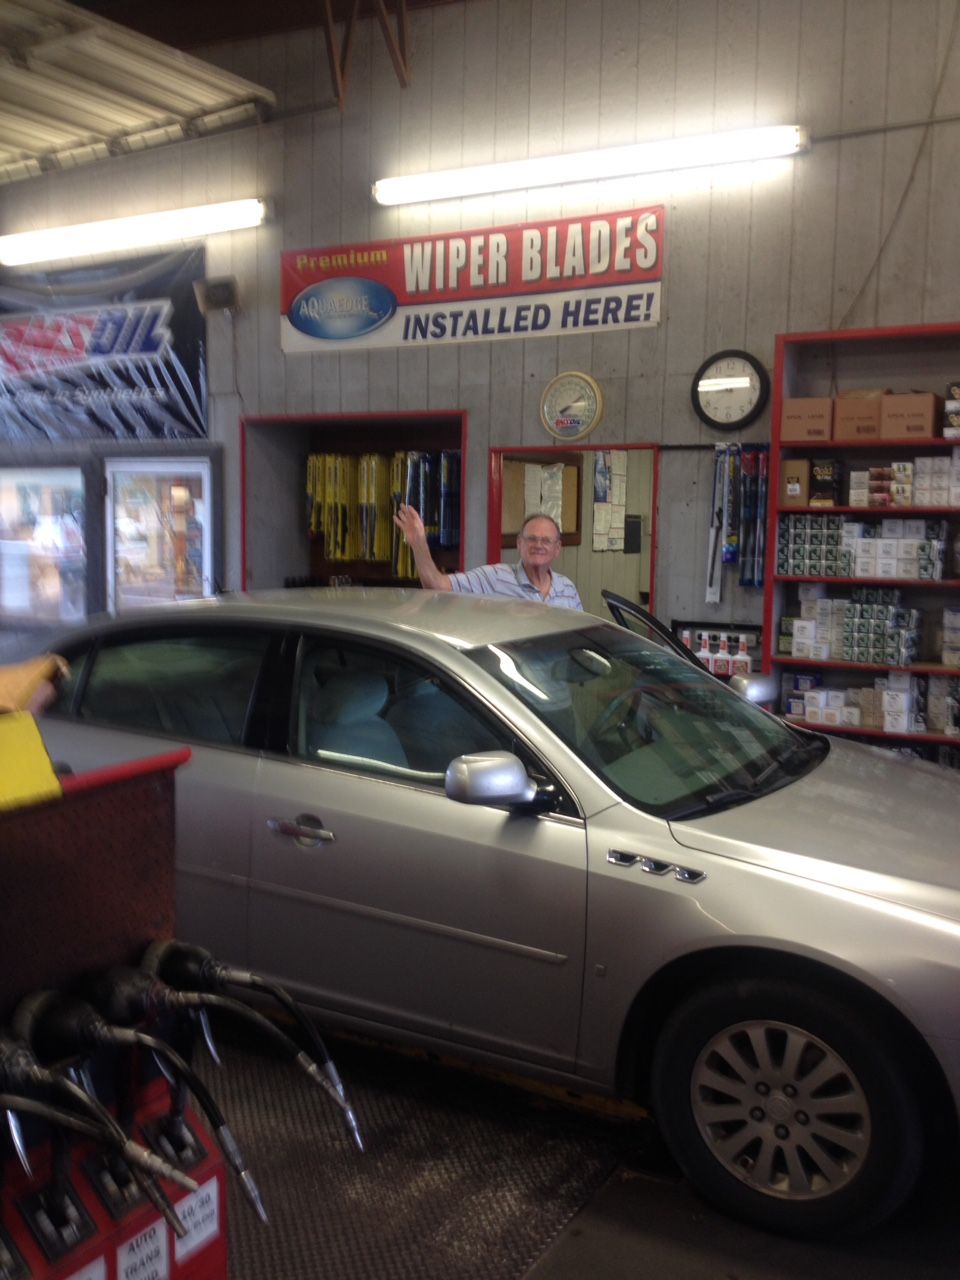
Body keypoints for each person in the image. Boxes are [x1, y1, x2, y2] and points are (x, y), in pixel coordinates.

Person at [393, 505, 583, 609]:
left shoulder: (567, 588)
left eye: (546, 541)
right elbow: (436, 586)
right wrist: (419, 543)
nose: (538, 545)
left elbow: (579, 638)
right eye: (531, 539)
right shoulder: (495, 577)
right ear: (519, 544)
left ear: (557, 549)